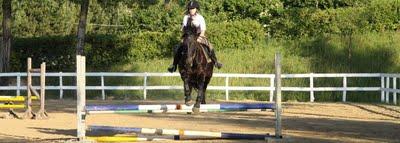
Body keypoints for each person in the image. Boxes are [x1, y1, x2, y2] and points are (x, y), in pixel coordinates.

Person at [167, 0, 222, 73]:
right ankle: (174, 65)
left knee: (209, 46)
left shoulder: (200, 17)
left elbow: (203, 30)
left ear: (196, 9)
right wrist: (184, 32)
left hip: (199, 36)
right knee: (178, 47)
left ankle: (215, 62)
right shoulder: (185, 17)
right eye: (190, 8)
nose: (191, 10)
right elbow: (183, 29)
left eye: (193, 8)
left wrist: (200, 38)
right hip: (188, 37)